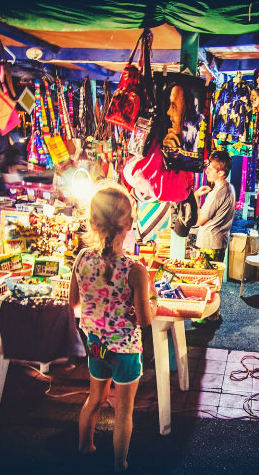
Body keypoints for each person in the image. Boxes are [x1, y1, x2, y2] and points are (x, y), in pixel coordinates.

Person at [69, 185, 157, 472]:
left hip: (96, 344)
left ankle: (84, 446)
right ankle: (120, 464)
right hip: (126, 351)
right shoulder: (135, 270)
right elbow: (144, 320)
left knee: (95, 398)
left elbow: (73, 304)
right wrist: (153, 299)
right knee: (123, 411)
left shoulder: (81, 258)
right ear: (130, 225)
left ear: (92, 222)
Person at [194, 150, 236, 263]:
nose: (206, 171)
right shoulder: (229, 188)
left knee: (206, 278)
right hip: (217, 242)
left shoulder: (217, 193)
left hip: (209, 245)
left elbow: (199, 221)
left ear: (221, 173)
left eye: (210, 169)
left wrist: (196, 197)